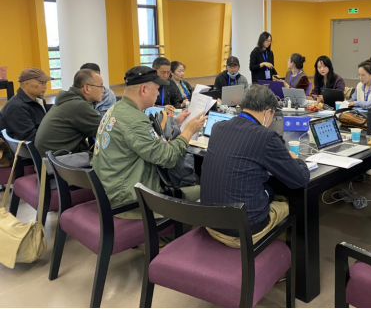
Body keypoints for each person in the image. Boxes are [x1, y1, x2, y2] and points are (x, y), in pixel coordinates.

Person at [201, 85, 310, 247]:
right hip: (242, 232)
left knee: (268, 191)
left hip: (209, 222)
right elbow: (300, 179)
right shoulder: (265, 136)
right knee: (293, 204)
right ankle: (293, 256)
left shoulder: (218, 127)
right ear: (268, 112)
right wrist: (295, 159)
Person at [91, 66, 207, 219]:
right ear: (144, 90)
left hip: (113, 188)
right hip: (129, 200)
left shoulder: (117, 109)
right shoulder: (134, 120)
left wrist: (174, 124)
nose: (158, 93)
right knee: (205, 191)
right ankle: (178, 230)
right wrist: (188, 132)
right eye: (157, 89)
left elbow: (140, 140)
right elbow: (167, 158)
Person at [35, 69, 105, 157]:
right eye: (100, 86)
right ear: (87, 88)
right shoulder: (78, 105)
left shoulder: (68, 100)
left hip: (50, 158)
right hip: (59, 160)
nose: (103, 90)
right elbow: (106, 129)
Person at [0, 68, 53, 142]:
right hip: (25, 148)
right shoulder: (17, 107)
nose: (45, 86)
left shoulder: (37, 100)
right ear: (27, 85)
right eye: (41, 83)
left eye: (45, 83)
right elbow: (30, 138)